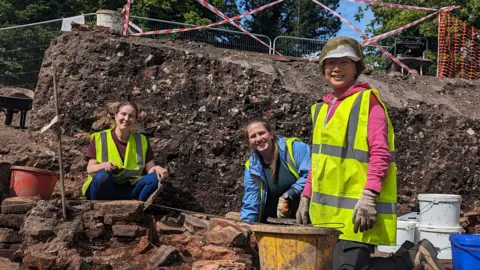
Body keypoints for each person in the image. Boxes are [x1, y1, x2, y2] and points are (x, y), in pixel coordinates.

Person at [296, 37, 444, 270]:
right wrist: (306, 196)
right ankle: (410, 255)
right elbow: (319, 159)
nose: (336, 68)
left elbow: (380, 154)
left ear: (356, 67)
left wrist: (368, 197)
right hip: (325, 214)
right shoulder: (320, 109)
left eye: (344, 61)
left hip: (357, 212)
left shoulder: (368, 102)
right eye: (330, 62)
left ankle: (410, 258)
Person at [82, 101, 168, 201]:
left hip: (129, 188)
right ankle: (98, 208)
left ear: (135, 120)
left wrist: (158, 168)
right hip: (106, 187)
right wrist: (104, 165)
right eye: (123, 114)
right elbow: (90, 168)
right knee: (101, 177)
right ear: (115, 116)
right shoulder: (99, 138)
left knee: (155, 178)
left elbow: (150, 170)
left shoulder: (141, 140)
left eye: (131, 116)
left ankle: (138, 208)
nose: (126, 119)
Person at [240, 118, 311, 223]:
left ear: (271, 134)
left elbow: (311, 174)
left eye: (261, 133)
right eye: (253, 136)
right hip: (272, 222)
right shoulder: (252, 167)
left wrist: (290, 194)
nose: (258, 139)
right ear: (249, 143)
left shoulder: (294, 149)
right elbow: (251, 201)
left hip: (303, 217)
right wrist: (245, 226)